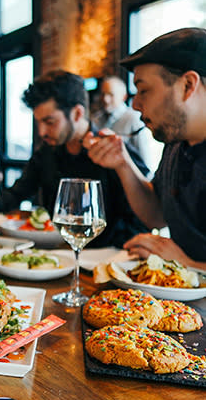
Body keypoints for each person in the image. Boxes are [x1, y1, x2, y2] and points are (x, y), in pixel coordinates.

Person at [84, 27, 206, 269]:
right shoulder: (175, 144)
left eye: (144, 90)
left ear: (188, 85)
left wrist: (186, 264)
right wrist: (122, 162)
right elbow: (156, 215)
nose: (136, 105)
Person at [0, 70, 149, 248]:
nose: (41, 132)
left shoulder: (114, 152)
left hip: (105, 261)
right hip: (57, 256)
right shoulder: (46, 153)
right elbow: (16, 194)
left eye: (50, 122)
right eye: (38, 122)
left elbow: (143, 219)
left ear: (77, 113)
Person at [92, 75, 162, 173]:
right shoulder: (96, 119)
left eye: (111, 95)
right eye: (103, 94)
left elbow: (144, 160)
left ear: (123, 97)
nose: (105, 99)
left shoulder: (134, 119)